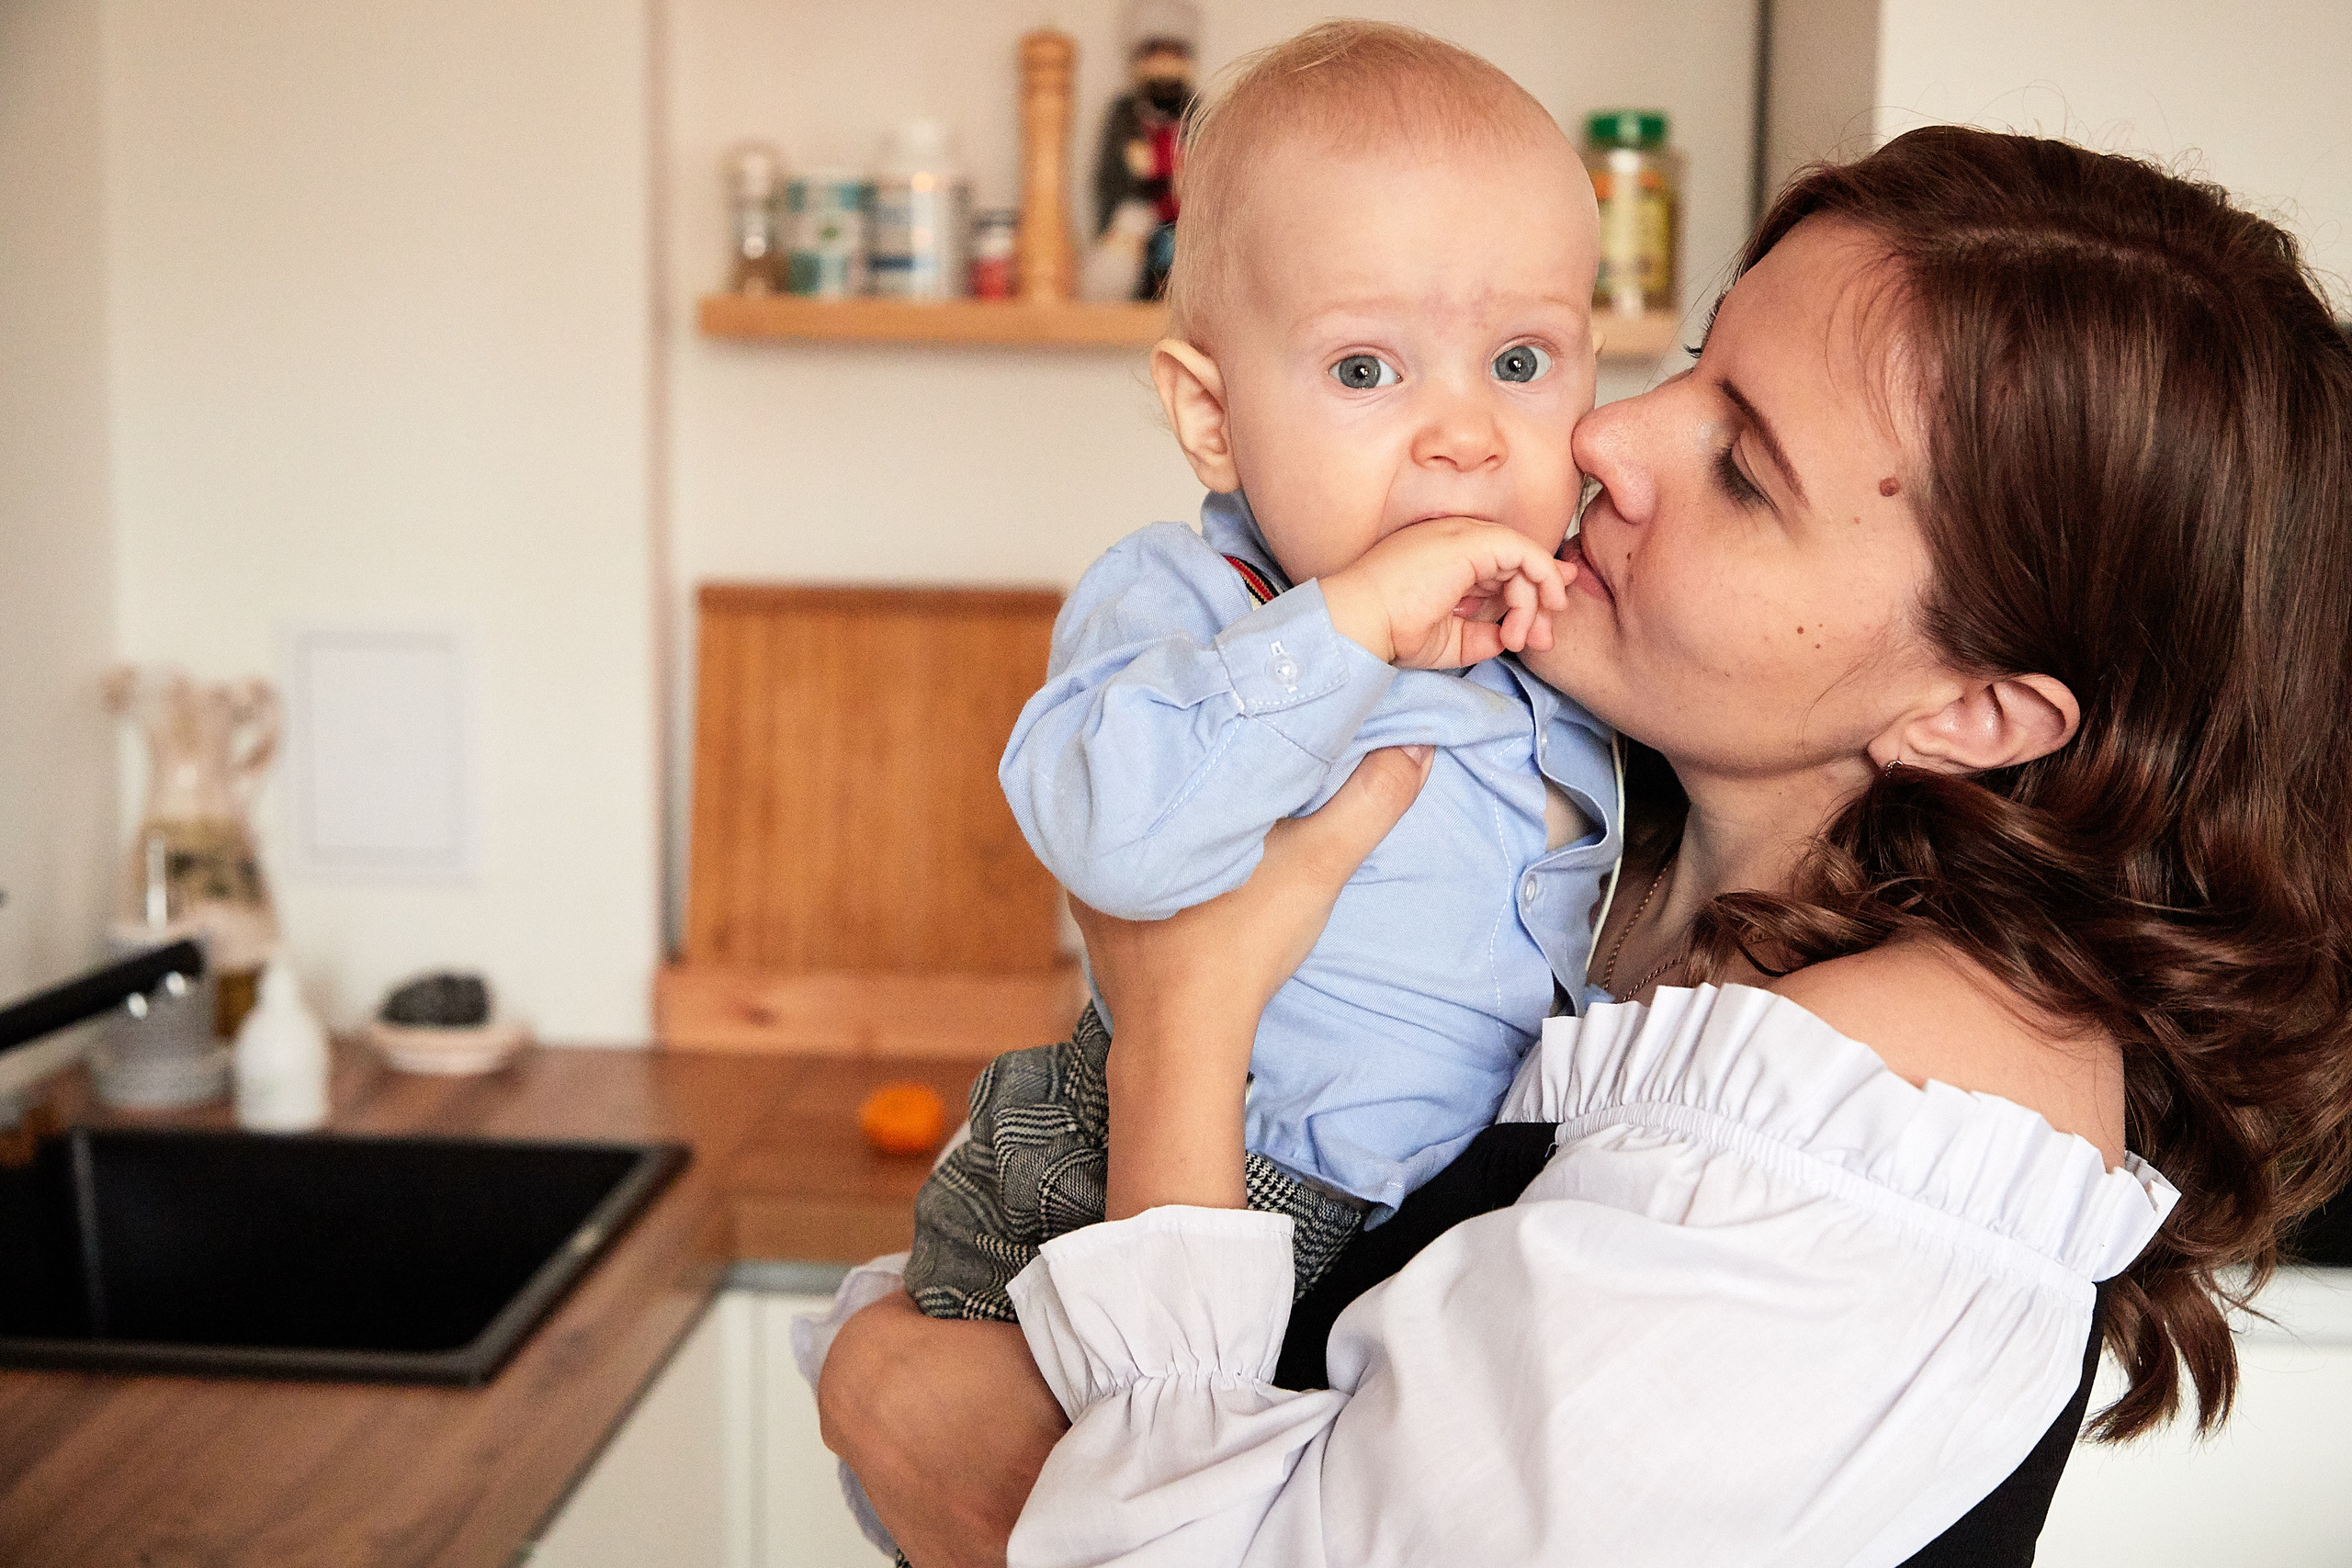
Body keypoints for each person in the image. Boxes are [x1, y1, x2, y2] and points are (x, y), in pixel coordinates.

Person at [820, 123, 2352, 1567]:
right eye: (1693, 358)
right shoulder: (1593, 824)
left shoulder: (1873, 1154)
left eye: (1747, 470)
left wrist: (1182, 1029)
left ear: (1974, 713)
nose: (1606, 434)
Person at [901, 23, 1615, 1327]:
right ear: (1212, 419)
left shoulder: (1568, 621)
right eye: (1364, 369)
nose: (1464, 434)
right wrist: (1350, 623)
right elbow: (1110, 833)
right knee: (1045, 1507)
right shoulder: (1187, 603)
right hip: (1172, 1171)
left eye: (1521, 363)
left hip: (1443, 1218)